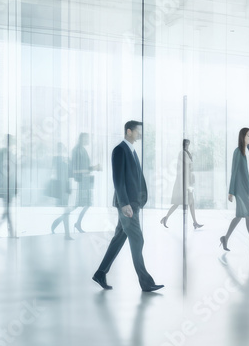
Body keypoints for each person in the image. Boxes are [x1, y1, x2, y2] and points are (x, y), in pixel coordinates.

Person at [92, 121, 163, 292]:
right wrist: (124, 204)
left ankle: (100, 273)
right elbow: (118, 179)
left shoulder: (131, 150)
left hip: (133, 203)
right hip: (127, 205)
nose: (140, 134)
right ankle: (145, 282)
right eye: (138, 131)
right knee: (138, 239)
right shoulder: (120, 150)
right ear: (129, 131)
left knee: (118, 239)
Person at [221, 128, 249, 255]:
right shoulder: (238, 152)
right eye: (248, 135)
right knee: (248, 215)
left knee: (240, 216)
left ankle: (225, 238)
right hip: (240, 189)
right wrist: (231, 191)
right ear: (243, 136)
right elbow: (234, 172)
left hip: (248, 189)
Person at [160, 139, 203, 230]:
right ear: (185, 144)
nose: (188, 145)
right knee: (178, 203)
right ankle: (166, 218)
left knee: (191, 202)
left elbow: (189, 167)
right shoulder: (182, 153)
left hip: (187, 182)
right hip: (184, 183)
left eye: (189, 144)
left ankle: (195, 222)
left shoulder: (186, 153)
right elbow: (187, 166)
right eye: (187, 143)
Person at [69, 133, 101, 236]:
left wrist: (94, 168)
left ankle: (76, 223)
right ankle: (70, 220)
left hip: (86, 179)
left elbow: (84, 167)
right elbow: (76, 169)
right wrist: (94, 168)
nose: (88, 140)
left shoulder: (81, 150)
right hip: (83, 180)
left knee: (84, 203)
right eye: (86, 138)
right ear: (82, 138)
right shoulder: (77, 150)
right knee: (83, 203)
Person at [0, 134, 17, 237]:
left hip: (8, 186)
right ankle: (11, 233)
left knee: (7, 210)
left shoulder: (8, 153)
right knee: (7, 210)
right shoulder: (3, 153)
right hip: (5, 187)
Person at [48, 142, 73, 236]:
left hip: (65, 186)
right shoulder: (56, 159)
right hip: (60, 187)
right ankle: (66, 233)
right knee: (66, 210)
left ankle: (60, 227)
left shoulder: (66, 159)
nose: (61, 150)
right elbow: (53, 173)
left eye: (62, 148)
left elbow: (70, 174)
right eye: (59, 148)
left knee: (66, 210)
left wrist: (69, 187)